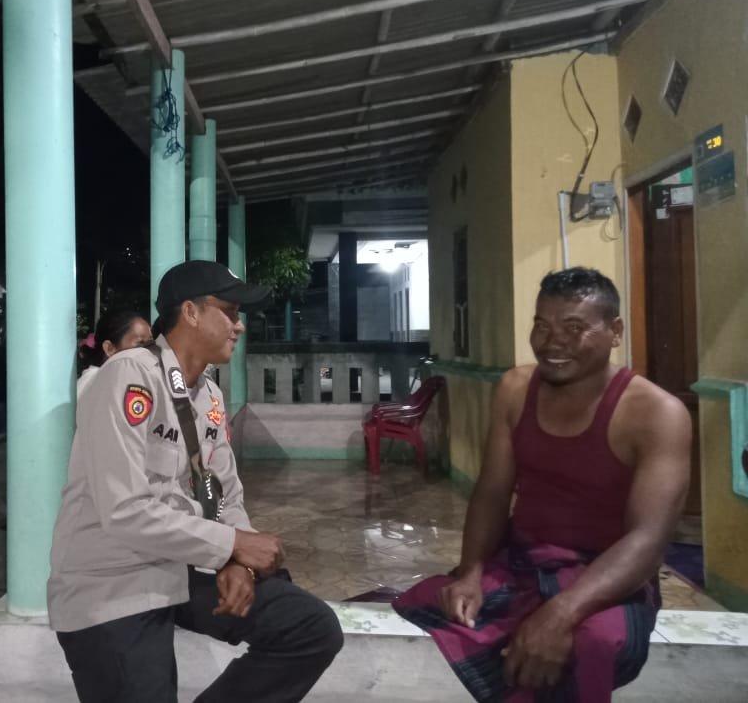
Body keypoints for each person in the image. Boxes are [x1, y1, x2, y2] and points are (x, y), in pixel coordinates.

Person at [49, 260, 343, 703]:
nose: (239, 326)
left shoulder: (209, 395)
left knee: (310, 628)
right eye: (230, 311)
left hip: (183, 564)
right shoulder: (130, 374)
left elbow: (223, 492)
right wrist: (232, 545)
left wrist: (238, 562)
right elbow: (125, 511)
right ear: (190, 312)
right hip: (113, 581)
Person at [393, 267, 691, 702]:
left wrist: (561, 613)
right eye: (542, 326)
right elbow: (493, 492)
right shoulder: (516, 388)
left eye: (574, 328)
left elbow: (647, 540)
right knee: (440, 605)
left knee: (592, 643)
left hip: (609, 576)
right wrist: (471, 572)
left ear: (615, 331)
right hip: (523, 561)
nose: (554, 342)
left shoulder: (657, 414)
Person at [77, 310, 152, 397]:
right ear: (109, 348)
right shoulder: (94, 383)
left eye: (151, 343)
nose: (149, 350)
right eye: (140, 344)